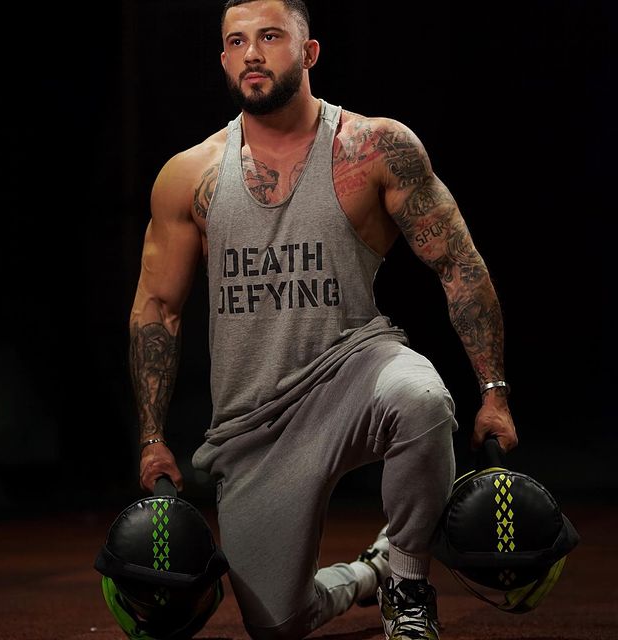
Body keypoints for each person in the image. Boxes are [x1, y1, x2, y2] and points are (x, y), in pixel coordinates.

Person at [128, 1, 518, 638]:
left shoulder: (374, 148)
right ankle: (371, 573)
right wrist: (152, 438)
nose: (253, 54)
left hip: (353, 370)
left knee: (420, 398)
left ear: (309, 52)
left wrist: (494, 393)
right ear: (224, 60)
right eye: (237, 42)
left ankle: (409, 583)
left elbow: (459, 266)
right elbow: (158, 311)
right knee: (278, 625)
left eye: (270, 36)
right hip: (252, 423)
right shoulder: (189, 174)